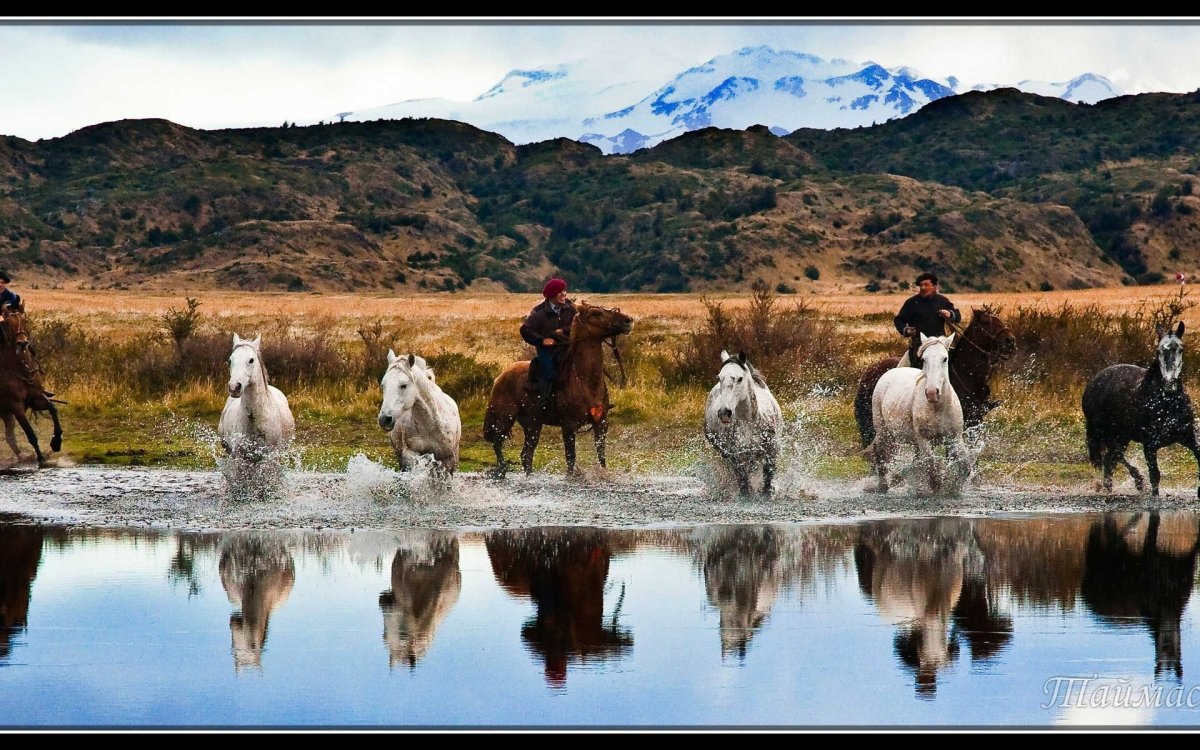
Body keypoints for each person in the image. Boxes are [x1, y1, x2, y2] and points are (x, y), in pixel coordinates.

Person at [520, 278, 576, 408]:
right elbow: (525, 330)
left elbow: (577, 324)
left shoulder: (570, 308)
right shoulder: (538, 313)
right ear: (551, 295)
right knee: (549, 371)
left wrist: (564, 331)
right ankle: (545, 399)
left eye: (564, 291)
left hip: (567, 347)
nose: (563, 294)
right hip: (548, 351)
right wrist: (542, 340)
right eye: (559, 292)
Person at [893, 272, 960, 367]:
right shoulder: (911, 303)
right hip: (918, 347)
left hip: (940, 345)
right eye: (921, 285)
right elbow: (899, 320)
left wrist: (949, 314)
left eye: (926, 285)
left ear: (934, 286)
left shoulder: (942, 301)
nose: (923, 288)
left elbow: (957, 316)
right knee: (901, 372)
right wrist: (906, 330)